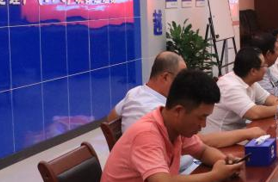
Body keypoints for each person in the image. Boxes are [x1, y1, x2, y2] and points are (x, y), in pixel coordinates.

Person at [96, 70, 243, 182]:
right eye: (201, 117)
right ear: (179, 111)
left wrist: (224, 161)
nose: (203, 125)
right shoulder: (146, 134)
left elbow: (203, 151)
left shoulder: (175, 127)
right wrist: (215, 176)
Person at [108, 51, 265, 148]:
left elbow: (111, 118)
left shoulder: (135, 92)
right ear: (165, 77)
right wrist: (246, 133)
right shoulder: (156, 111)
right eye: (182, 77)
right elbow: (199, 141)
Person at [205, 47, 278, 133]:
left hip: (239, 132)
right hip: (221, 136)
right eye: (264, 65)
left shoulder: (249, 80)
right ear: (253, 71)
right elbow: (254, 113)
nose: (266, 68)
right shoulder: (230, 86)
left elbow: (269, 99)